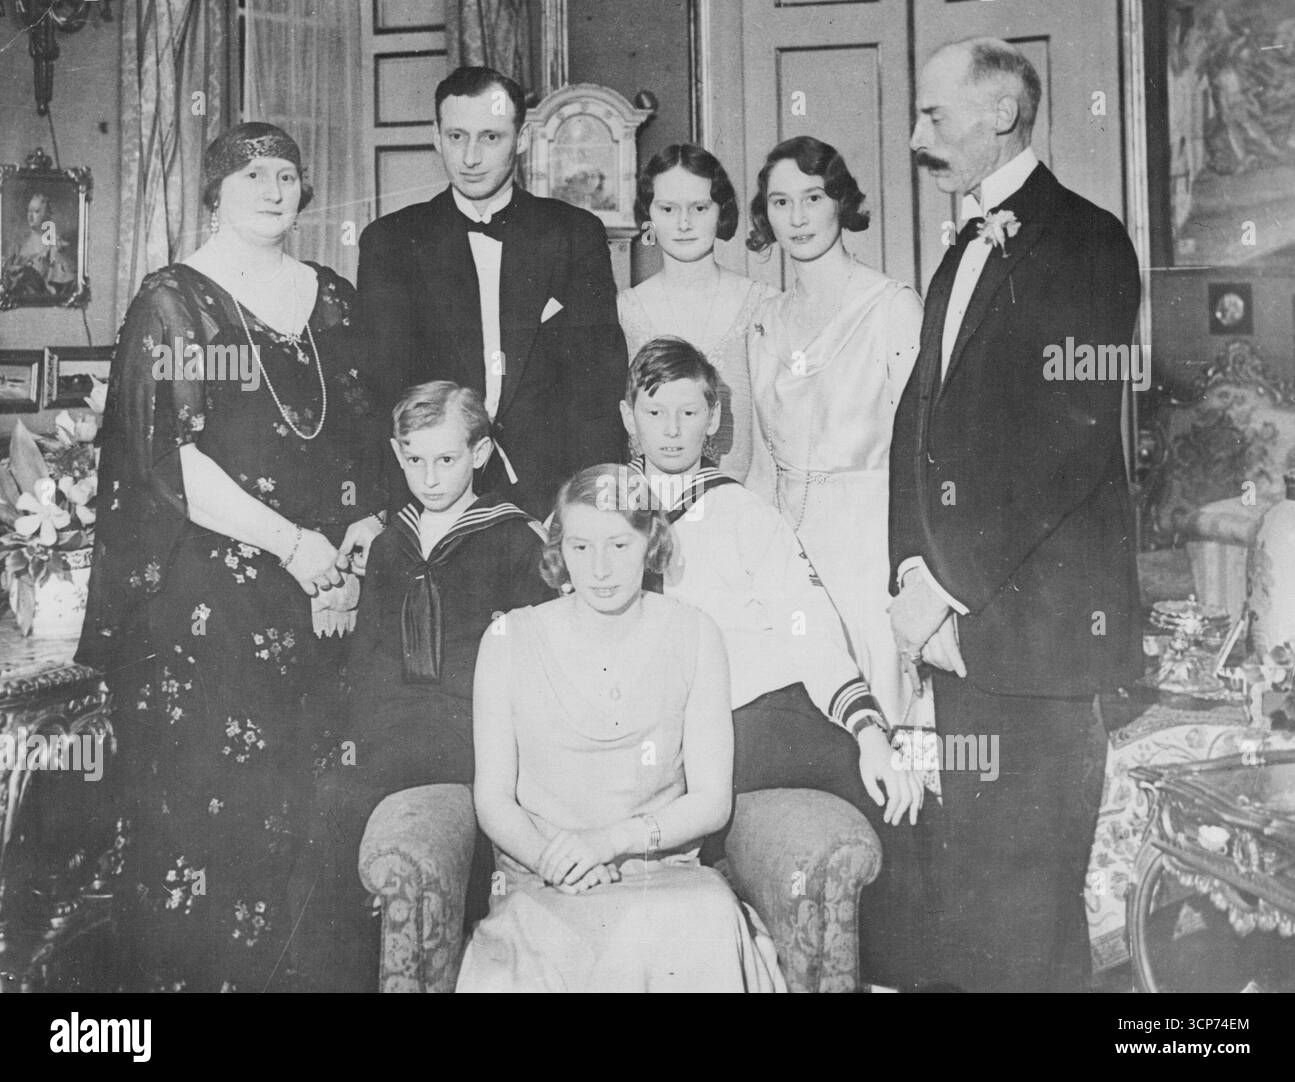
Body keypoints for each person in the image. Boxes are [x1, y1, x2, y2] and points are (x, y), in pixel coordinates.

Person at [76, 122, 387, 992]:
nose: (274, 188)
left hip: (321, 600)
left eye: (288, 173)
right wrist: (292, 546)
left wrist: (348, 560)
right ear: (215, 190)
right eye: (252, 173)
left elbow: (360, 445)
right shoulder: (174, 299)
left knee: (309, 821)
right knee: (209, 830)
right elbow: (166, 459)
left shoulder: (331, 295)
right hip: (209, 608)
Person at [889, 38, 1142, 993]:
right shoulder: (964, 241)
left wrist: (947, 588)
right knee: (978, 890)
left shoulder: (1086, 239)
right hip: (960, 632)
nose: (916, 137)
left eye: (934, 117)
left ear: (1001, 115)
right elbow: (921, 426)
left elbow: (1066, 446)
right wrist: (911, 575)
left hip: (1039, 635)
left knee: (1030, 904)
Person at [455, 465, 785, 991]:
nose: (601, 569)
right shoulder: (508, 639)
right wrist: (557, 860)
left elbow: (711, 800)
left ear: (650, 543)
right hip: (547, 885)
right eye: (581, 548)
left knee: (702, 922)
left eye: (619, 545)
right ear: (559, 551)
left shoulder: (695, 634)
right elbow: (492, 798)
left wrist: (611, 842)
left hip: (667, 883)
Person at [289, 381, 551, 991]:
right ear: (396, 452)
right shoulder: (390, 542)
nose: (429, 478)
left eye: (446, 459)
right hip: (391, 728)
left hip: (473, 732)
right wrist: (355, 737)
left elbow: (537, 662)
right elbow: (367, 657)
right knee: (317, 805)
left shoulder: (513, 538)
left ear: (481, 454)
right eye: (413, 460)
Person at [619, 337, 922, 829]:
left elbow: (809, 628)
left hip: (752, 717)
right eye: (654, 413)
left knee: (893, 799)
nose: (672, 431)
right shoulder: (595, 512)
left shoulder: (745, 514)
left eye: (689, 413)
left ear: (714, 418)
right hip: (637, 728)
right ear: (629, 418)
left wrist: (868, 732)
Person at [356, 66, 627, 518]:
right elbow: (379, 387)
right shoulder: (390, 242)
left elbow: (598, 384)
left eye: (491, 137)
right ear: (436, 137)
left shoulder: (575, 234)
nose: (471, 157)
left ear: (521, 139)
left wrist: (590, 504)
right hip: (432, 497)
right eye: (457, 137)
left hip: (552, 498)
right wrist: (381, 507)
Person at [745, 136, 922, 731]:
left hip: (871, 540)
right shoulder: (766, 319)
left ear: (840, 202)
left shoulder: (892, 307)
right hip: (788, 537)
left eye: (813, 197)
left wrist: (913, 572)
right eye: (779, 202)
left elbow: (922, 454)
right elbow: (762, 463)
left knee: (882, 702)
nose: (796, 218)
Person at [618, 145, 773, 479]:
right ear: (649, 215)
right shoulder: (625, 311)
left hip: (742, 508)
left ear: (721, 212)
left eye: (699, 207)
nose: (684, 223)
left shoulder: (762, 305)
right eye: (668, 209)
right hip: (650, 512)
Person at [3, 191, 76, 300]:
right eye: (29, 211)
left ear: (46, 215)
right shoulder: (19, 245)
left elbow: (60, 283)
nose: (30, 216)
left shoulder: (54, 244)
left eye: (36, 211)